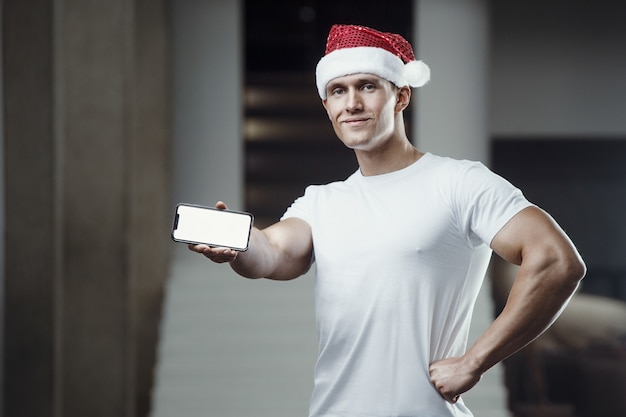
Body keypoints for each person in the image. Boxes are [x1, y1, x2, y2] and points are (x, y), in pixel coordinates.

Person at [189, 24, 586, 417]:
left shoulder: (459, 182)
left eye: (367, 86)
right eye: (337, 91)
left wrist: (475, 361)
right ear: (327, 106)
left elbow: (557, 261)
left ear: (401, 96)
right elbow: (272, 252)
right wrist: (237, 245)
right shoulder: (321, 202)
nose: (352, 104)